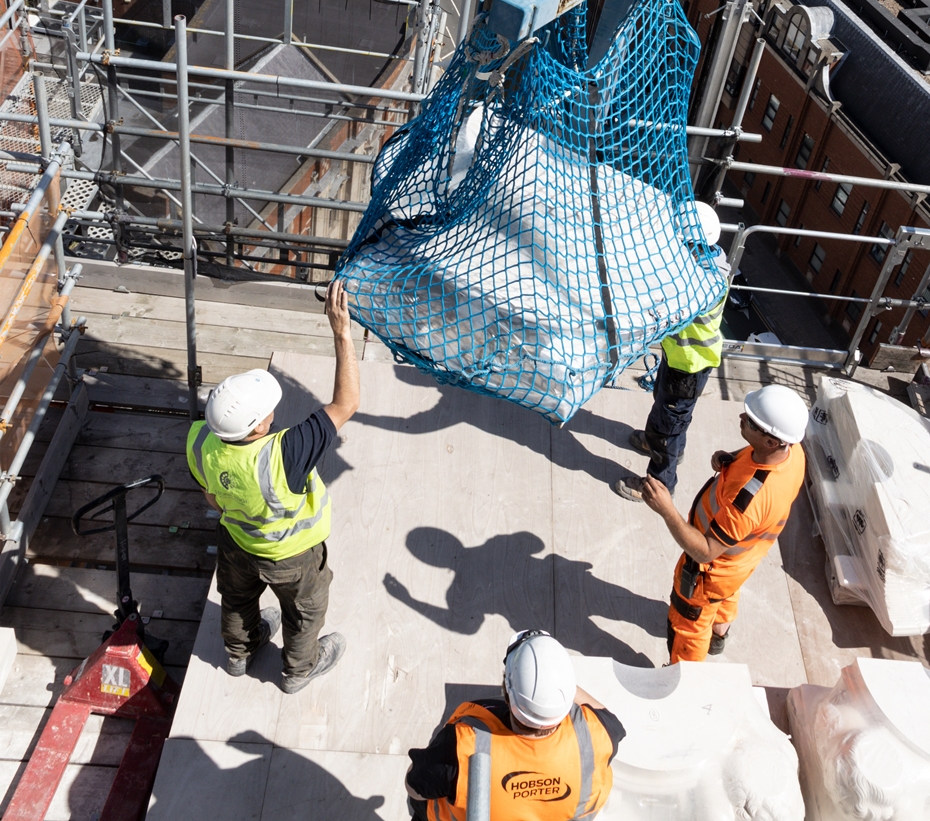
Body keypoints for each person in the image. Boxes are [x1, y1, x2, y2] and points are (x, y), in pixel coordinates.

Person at [186, 280, 360, 693]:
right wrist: (342, 332)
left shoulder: (198, 439)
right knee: (304, 611)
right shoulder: (286, 452)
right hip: (292, 557)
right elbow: (346, 403)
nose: (274, 413)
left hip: (236, 543)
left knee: (237, 597)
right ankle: (300, 669)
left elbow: (211, 496)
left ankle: (238, 654)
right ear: (259, 425)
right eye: (268, 412)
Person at [640, 385, 809, 661]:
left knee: (688, 626)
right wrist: (731, 460)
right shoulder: (792, 453)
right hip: (738, 564)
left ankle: (682, 676)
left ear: (771, 441)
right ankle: (719, 635)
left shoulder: (748, 502)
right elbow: (758, 464)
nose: (741, 418)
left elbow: (705, 550)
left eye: (751, 422)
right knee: (726, 597)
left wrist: (666, 509)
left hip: (708, 574)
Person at [406, 630, 625, 821]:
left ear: (507, 689)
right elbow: (607, 717)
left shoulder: (464, 746)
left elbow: (414, 787)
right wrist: (551, 679)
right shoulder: (595, 735)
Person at [614, 202, 727, 502]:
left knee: (669, 425)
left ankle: (659, 486)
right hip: (680, 359)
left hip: (688, 366)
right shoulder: (711, 261)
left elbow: (667, 308)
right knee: (667, 412)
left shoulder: (701, 282)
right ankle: (663, 443)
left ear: (693, 243)